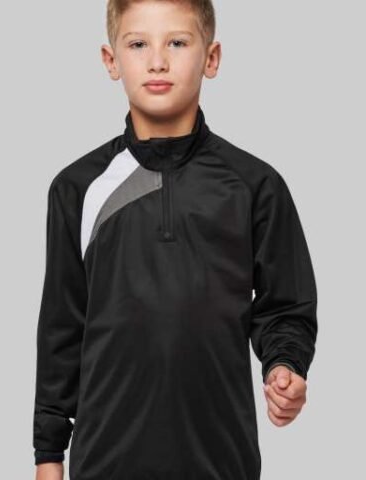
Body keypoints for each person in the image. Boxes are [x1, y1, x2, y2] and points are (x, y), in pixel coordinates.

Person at [33, 1, 318, 479]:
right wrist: (48, 454)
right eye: (138, 44)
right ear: (111, 60)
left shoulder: (254, 185)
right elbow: (61, 327)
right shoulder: (77, 188)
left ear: (212, 57)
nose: (158, 61)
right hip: (105, 463)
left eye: (178, 42)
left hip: (221, 462)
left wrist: (284, 365)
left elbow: (285, 306)